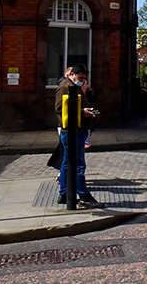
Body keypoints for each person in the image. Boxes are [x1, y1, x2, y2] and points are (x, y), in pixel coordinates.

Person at [54, 63, 99, 207]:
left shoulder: (74, 87)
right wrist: (82, 113)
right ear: (72, 74)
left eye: (84, 79)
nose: (82, 80)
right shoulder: (66, 87)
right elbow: (60, 108)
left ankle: (64, 193)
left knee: (67, 163)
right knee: (79, 165)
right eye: (80, 77)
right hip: (72, 131)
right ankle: (84, 196)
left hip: (76, 130)